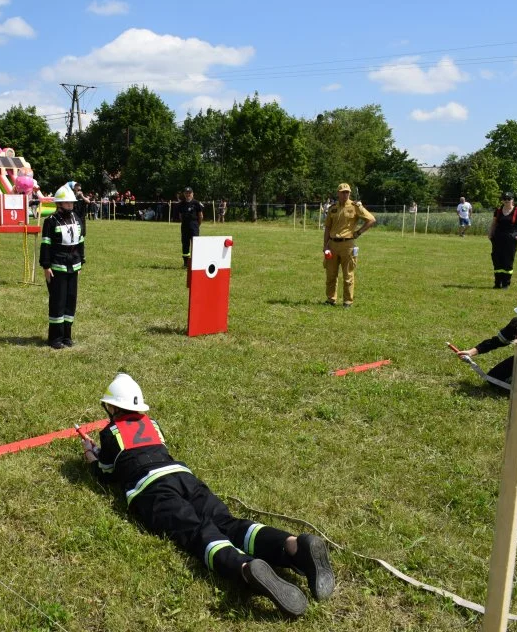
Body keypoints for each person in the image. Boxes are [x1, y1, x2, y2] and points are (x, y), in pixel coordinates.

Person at [79, 373, 335, 618]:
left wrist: (92, 457)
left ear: (112, 408)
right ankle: (293, 545)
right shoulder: (152, 424)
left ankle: (244, 568)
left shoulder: (110, 432)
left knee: (195, 530)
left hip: (152, 488)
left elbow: (107, 474)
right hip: (183, 476)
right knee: (226, 521)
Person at [40, 184, 86, 349]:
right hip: (57, 266)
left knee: (70, 301)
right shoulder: (50, 222)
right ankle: (55, 338)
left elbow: (80, 242)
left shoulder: (77, 219)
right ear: (58, 204)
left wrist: (81, 262)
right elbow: (46, 244)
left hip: (73, 265)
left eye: (71, 203)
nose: (70, 206)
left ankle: (67, 335)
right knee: (58, 302)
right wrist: (46, 266)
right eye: (67, 203)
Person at [322, 183, 375, 308]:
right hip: (333, 245)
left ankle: (347, 301)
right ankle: (331, 299)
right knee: (331, 274)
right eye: (343, 192)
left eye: (347, 192)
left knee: (348, 275)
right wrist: (325, 245)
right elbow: (328, 227)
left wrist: (358, 232)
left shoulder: (355, 206)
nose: (345, 194)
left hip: (348, 245)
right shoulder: (332, 208)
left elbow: (371, 219)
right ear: (338, 193)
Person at [487, 191, 517, 289]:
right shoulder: (498, 211)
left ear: (512, 200)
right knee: (497, 259)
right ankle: (497, 283)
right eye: (504, 199)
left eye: (508, 199)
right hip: (498, 238)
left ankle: (506, 283)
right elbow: (494, 224)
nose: (506, 201)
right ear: (502, 200)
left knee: (507, 260)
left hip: (511, 239)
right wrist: (490, 233)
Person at [177, 187, 204, 268]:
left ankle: (195, 263)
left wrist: (196, 225)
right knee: (185, 244)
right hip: (184, 226)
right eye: (186, 193)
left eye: (189, 193)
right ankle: (186, 263)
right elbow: (180, 216)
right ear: (184, 194)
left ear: (192, 194)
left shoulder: (196, 203)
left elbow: (200, 216)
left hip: (194, 226)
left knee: (195, 244)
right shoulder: (181, 204)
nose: (188, 194)